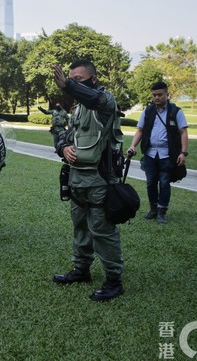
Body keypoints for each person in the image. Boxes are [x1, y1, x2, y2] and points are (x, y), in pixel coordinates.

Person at [52, 60, 124, 302]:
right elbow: (66, 135)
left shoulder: (105, 101)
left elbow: (95, 100)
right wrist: (63, 148)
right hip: (77, 179)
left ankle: (114, 280)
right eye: (70, 80)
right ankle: (81, 270)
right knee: (80, 227)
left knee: (103, 231)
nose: (72, 85)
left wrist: (68, 86)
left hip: (99, 180)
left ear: (93, 80)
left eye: (78, 80)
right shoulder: (79, 109)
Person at [127, 81, 188, 225]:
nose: (157, 97)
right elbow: (140, 131)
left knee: (165, 183)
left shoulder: (176, 112)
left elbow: (183, 132)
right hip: (150, 154)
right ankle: (153, 209)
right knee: (150, 183)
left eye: (160, 94)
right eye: (154, 95)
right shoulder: (148, 111)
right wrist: (133, 145)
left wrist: (183, 153)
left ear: (167, 94)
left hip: (168, 155)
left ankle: (162, 211)